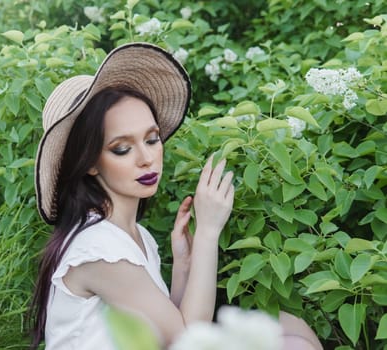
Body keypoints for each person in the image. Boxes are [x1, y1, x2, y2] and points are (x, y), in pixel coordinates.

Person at [29, 42, 323, 350]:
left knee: (289, 326)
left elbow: (167, 327)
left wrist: (183, 265)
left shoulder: (132, 235)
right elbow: (186, 342)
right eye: (122, 148)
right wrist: (209, 231)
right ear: (89, 161)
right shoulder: (99, 250)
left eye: (152, 139)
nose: (146, 158)